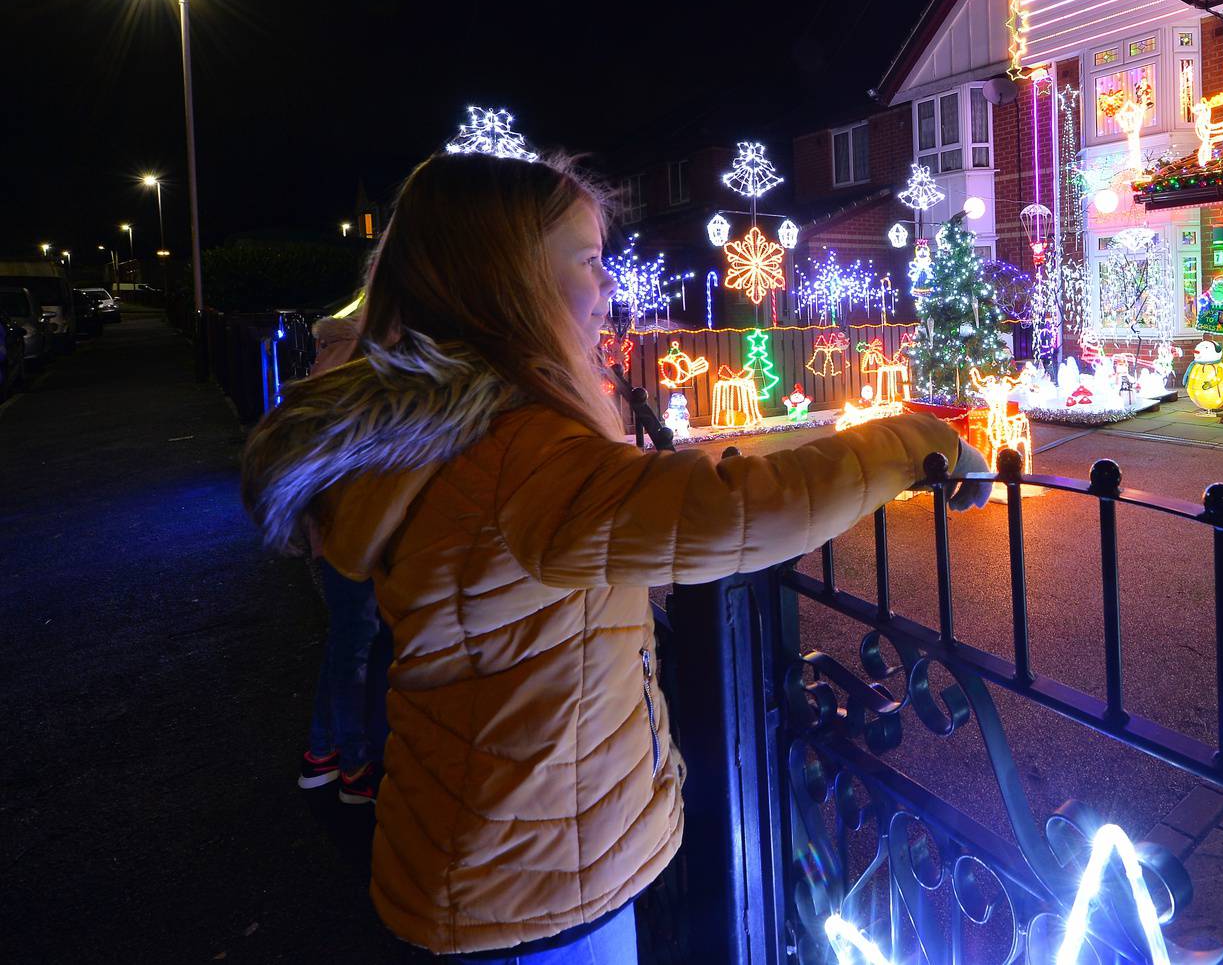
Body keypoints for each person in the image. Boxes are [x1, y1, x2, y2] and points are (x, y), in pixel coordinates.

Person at [242, 151, 987, 961]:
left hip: (484, 850)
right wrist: (918, 439)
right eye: (590, 261)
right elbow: (733, 515)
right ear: (508, 278)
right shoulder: (519, 454)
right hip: (538, 889)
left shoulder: (452, 433)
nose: (608, 287)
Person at [294, 310, 390, 805]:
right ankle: (354, 766)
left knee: (349, 642)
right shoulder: (358, 362)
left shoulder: (337, 355)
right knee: (360, 643)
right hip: (354, 528)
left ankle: (323, 753)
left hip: (337, 526)